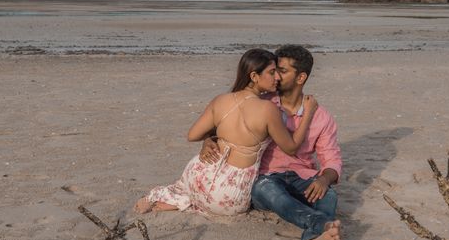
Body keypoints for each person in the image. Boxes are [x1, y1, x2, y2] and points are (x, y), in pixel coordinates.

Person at [135, 49, 318, 216]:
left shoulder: (221, 100)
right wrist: (308, 112)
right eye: (272, 72)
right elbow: (291, 148)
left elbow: (192, 135)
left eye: (278, 72)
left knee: (191, 191)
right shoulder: (268, 109)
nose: (277, 77)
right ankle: (187, 201)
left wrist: (210, 138)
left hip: (198, 175)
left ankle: (181, 199)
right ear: (254, 76)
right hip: (230, 195)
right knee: (224, 204)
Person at [201, 45, 342, 240]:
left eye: (282, 71)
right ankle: (321, 223)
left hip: (302, 178)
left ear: (301, 77)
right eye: (274, 70)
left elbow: (332, 160)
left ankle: (312, 239)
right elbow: (227, 127)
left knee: (329, 196)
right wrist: (208, 140)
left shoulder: (321, 117)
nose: (275, 76)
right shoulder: (261, 103)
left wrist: (323, 180)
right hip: (267, 178)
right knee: (267, 190)